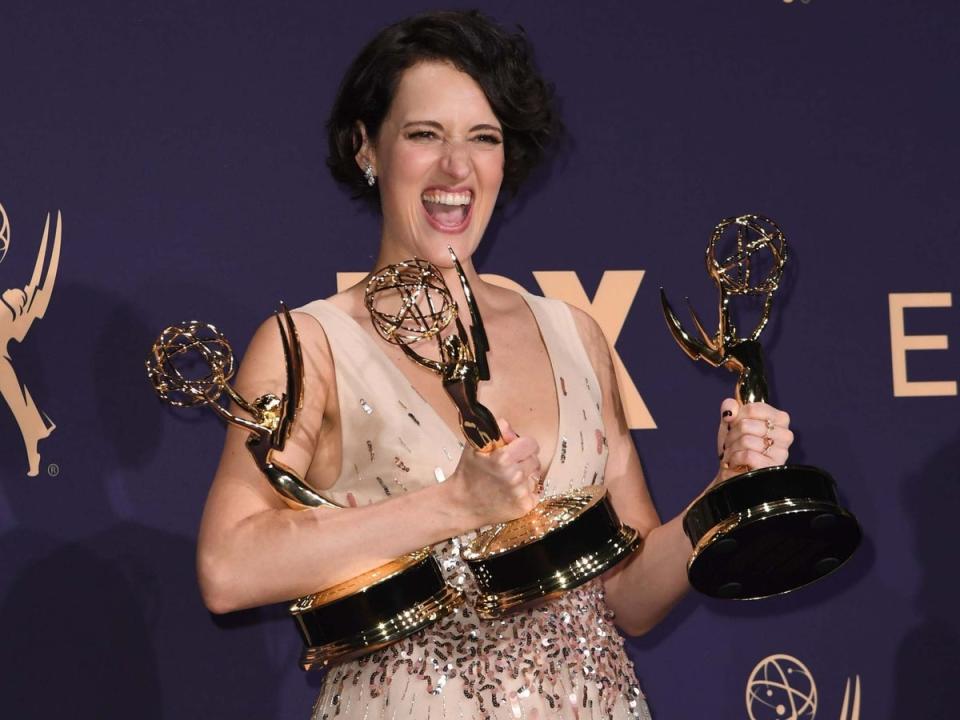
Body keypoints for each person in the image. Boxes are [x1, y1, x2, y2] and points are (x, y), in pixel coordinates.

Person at [198, 11, 794, 719]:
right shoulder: (311, 344)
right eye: (425, 135)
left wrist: (723, 495)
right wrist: (453, 505)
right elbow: (227, 569)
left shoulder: (572, 333)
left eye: (484, 138)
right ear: (367, 148)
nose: (458, 168)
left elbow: (627, 598)